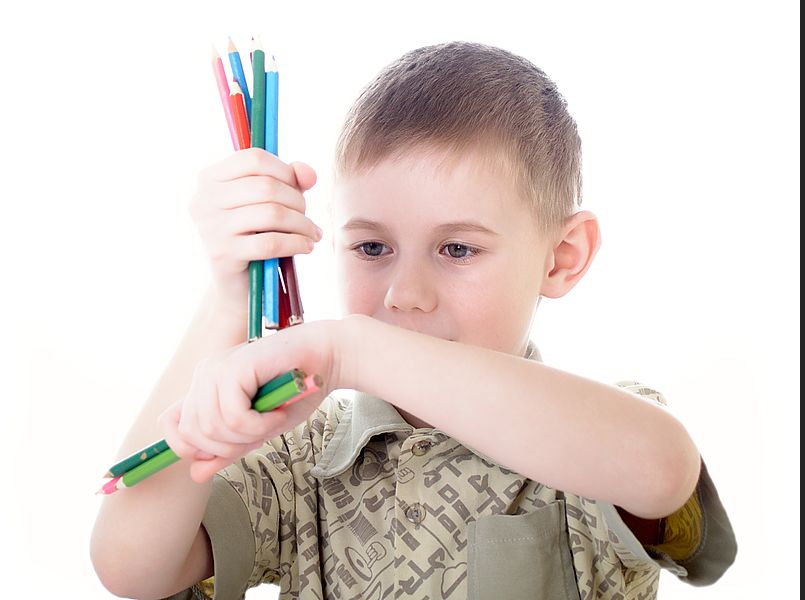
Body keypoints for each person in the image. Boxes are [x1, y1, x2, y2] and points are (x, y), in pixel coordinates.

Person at [91, 41, 736, 599]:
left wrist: (353, 351)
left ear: (562, 258)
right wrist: (230, 295)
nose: (405, 294)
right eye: (371, 248)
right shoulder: (304, 459)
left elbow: (660, 470)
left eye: (457, 249)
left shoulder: (593, 435)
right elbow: (128, 564)